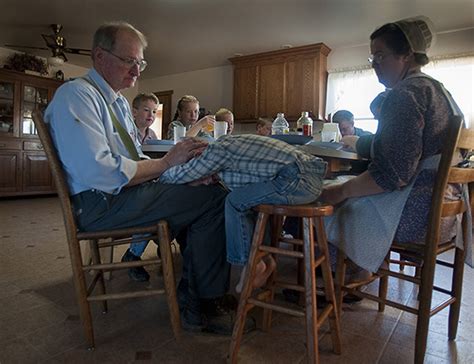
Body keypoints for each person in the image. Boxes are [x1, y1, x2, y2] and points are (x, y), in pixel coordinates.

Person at [44, 21, 252, 335]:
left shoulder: (117, 103)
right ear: (100, 57)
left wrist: (181, 175)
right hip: (100, 205)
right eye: (129, 61)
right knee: (213, 202)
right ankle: (202, 304)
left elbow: (135, 159)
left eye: (140, 63)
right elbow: (100, 171)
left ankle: (194, 292)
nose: (137, 71)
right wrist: (168, 163)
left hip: (119, 196)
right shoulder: (77, 96)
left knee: (202, 192)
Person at [320, 16, 464, 277]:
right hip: (446, 213)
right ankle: (362, 270)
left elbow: (392, 176)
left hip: (416, 217)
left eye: (380, 56)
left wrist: (339, 192)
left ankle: (331, 284)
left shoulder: (405, 95)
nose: (375, 64)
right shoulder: (440, 91)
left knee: (327, 208)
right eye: (372, 58)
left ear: (406, 55)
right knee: (349, 195)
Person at [159, 134, 327, 292]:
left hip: (295, 179)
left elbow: (177, 176)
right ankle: (264, 256)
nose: (205, 182)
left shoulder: (213, 152)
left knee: (234, 202)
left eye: (201, 179)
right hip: (310, 175)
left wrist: (165, 165)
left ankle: (252, 264)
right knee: (249, 201)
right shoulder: (231, 145)